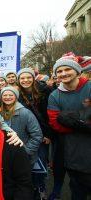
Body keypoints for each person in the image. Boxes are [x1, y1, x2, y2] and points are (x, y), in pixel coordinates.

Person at [47, 54, 91, 200]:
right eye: (59, 71)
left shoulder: (89, 87)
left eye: (67, 69)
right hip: (72, 151)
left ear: (77, 71)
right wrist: (83, 126)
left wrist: (71, 119)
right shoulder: (54, 95)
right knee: (77, 189)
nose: (63, 73)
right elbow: (55, 123)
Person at [17, 67, 53, 199]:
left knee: (41, 162)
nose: (25, 80)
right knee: (29, 162)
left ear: (33, 78)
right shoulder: (18, 95)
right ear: (18, 80)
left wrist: (49, 134)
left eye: (28, 77)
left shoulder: (45, 90)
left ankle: (41, 187)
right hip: (27, 135)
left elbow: (50, 114)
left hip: (44, 134)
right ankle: (32, 187)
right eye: (22, 78)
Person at [0, 86, 43, 165]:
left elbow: (37, 135)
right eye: (5, 95)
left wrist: (26, 151)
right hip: (5, 157)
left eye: (11, 95)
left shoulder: (25, 113)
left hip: (23, 158)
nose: (8, 97)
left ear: (16, 97)